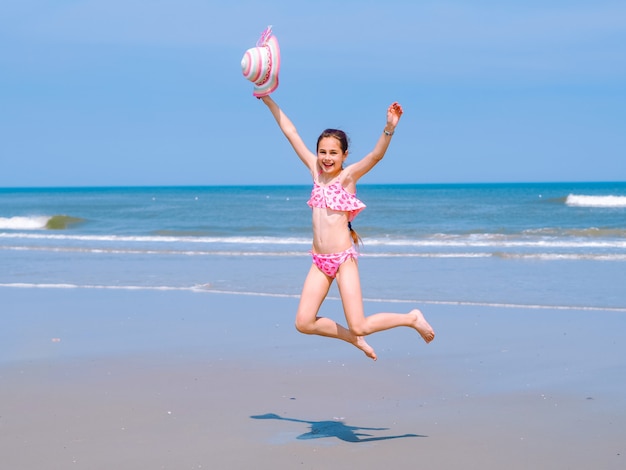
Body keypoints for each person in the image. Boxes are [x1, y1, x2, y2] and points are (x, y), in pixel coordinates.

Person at [260, 95, 435, 360]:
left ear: (344, 155)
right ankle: (354, 340)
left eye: (333, 153)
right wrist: (268, 99)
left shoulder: (347, 177)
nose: (326, 158)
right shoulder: (315, 172)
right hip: (319, 261)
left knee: (360, 323)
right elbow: (290, 131)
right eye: (322, 152)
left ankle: (411, 318)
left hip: (342, 260)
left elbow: (376, 156)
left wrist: (390, 127)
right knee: (304, 322)